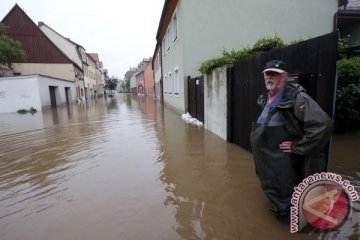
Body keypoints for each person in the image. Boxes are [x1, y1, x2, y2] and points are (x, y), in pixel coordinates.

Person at [250, 60, 333, 221]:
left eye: (274, 73)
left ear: (285, 77)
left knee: (287, 202)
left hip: (283, 165)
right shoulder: (264, 99)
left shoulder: (297, 98)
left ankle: (289, 224)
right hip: (267, 163)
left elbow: (323, 125)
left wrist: (298, 146)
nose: (269, 77)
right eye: (267, 74)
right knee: (273, 191)